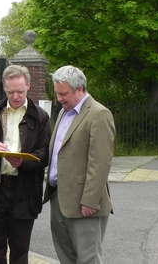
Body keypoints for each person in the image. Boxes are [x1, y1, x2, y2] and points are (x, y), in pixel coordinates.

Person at [0, 65, 51, 264]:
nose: (15, 96)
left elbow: (45, 154)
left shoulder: (40, 117)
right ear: (4, 88)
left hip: (24, 192)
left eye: (20, 91)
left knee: (20, 252)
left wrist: (22, 162)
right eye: (10, 92)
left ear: (28, 87)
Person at [43, 65, 116, 264]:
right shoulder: (63, 113)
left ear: (80, 89)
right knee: (66, 258)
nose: (59, 98)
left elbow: (100, 162)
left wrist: (90, 201)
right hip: (59, 198)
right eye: (57, 93)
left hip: (85, 203)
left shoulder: (99, 114)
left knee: (88, 260)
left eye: (64, 93)